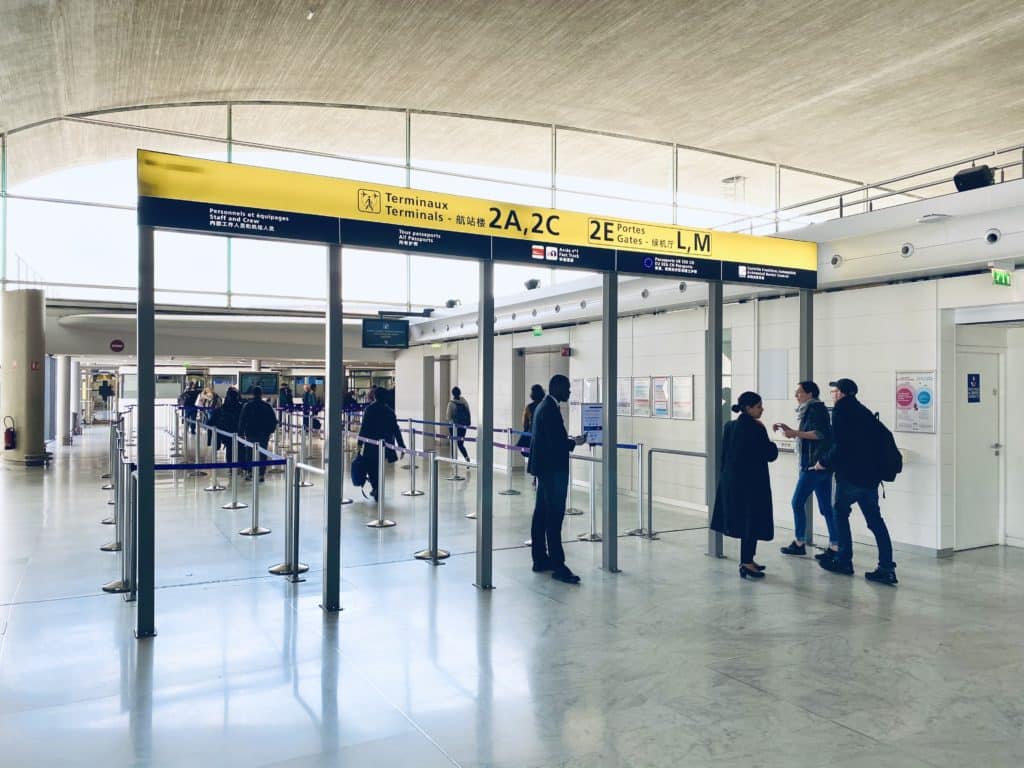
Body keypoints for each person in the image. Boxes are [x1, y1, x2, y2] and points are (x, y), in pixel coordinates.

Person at [814, 379, 898, 585]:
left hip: (850, 477)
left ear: (841, 393)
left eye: (834, 391)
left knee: (839, 514)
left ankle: (844, 560)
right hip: (870, 478)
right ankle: (886, 568)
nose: (833, 394)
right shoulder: (864, 411)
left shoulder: (841, 412)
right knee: (875, 521)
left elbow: (841, 446)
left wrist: (823, 462)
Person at [710, 391, 779, 580]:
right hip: (752, 483)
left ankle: (748, 559)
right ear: (748, 408)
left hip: (732, 481)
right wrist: (771, 441)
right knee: (752, 522)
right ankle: (747, 562)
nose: (761, 409)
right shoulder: (756, 428)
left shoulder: (730, 426)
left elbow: (724, 454)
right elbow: (769, 454)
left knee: (745, 522)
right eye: (758, 406)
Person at [527, 374, 587, 584]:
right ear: (557, 388)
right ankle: (558, 565)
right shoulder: (550, 410)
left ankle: (540, 558)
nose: (569, 392)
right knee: (554, 517)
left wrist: (569, 441)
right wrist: (574, 443)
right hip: (553, 472)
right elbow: (555, 443)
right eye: (567, 388)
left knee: (541, 516)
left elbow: (549, 439)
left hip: (544, 470)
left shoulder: (543, 407)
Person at [772, 381, 835, 559]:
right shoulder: (810, 409)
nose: (796, 396)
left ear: (809, 394)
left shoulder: (815, 409)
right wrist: (792, 430)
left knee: (797, 502)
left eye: (799, 392)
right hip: (819, 465)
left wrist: (795, 434)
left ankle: (799, 542)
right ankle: (835, 544)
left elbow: (819, 434)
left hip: (813, 466)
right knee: (825, 508)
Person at [357, 387, 406, 500]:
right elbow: (395, 429)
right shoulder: (389, 411)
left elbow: (364, 428)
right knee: (379, 467)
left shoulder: (370, 409)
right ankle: (377, 488)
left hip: (371, 444)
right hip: (385, 445)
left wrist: (359, 443)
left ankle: (376, 488)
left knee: (371, 467)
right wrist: (401, 445)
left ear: (375, 396)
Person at [238, 386, 278, 481]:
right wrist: (270, 431)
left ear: (253, 394)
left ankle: (250, 472)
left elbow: (242, 420)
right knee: (262, 454)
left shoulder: (247, 405)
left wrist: (241, 432)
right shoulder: (267, 406)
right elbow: (273, 421)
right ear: (261, 394)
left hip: (251, 433)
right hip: (263, 434)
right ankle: (261, 474)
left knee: (250, 453)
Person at [210, 387, 243, 463]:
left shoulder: (223, 408)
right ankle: (239, 469)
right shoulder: (241, 407)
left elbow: (211, 422)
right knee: (240, 450)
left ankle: (231, 469)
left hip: (226, 433)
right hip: (239, 433)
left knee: (230, 450)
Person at [446, 386, 472, 461]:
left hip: (453, 426)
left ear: (453, 394)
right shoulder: (464, 401)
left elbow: (448, 416)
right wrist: (468, 423)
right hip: (463, 426)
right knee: (460, 444)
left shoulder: (451, 403)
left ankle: (453, 459)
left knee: (453, 442)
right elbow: (468, 412)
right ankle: (466, 457)